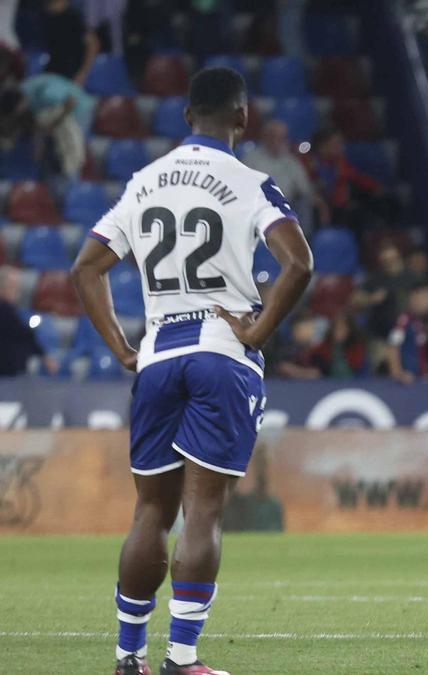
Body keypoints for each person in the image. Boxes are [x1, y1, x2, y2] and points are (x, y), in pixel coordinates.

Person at [71, 67, 312, 675]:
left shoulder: (143, 181)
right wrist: (257, 331)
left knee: (149, 511)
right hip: (219, 352)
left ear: (185, 117)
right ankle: (181, 658)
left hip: (157, 354)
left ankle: (129, 660)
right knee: (201, 511)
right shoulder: (250, 181)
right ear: (242, 117)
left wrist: (125, 349)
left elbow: (85, 269)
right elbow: (299, 263)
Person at [242, 119, 329, 229]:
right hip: (261, 206)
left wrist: (320, 204)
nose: (278, 141)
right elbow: (243, 189)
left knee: (304, 205)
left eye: (282, 138)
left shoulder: (291, 161)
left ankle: (303, 242)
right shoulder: (251, 159)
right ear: (265, 137)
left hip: (288, 206)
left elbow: (305, 189)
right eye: (274, 137)